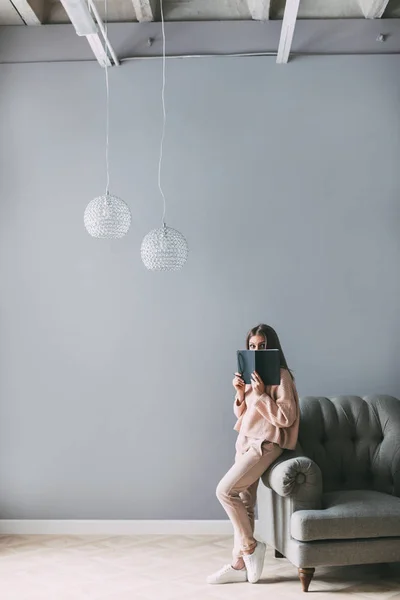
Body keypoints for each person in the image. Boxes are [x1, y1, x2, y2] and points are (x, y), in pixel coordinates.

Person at [206, 323, 300, 585]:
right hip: (246, 442)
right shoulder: (250, 375)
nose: (256, 350)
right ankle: (239, 564)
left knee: (225, 491)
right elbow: (244, 416)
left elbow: (285, 417)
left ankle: (250, 548)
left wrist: (260, 396)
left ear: (272, 348)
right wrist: (240, 394)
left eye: (262, 346)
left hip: (266, 444)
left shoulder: (282, 376)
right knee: (244, 504)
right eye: (252, 346)